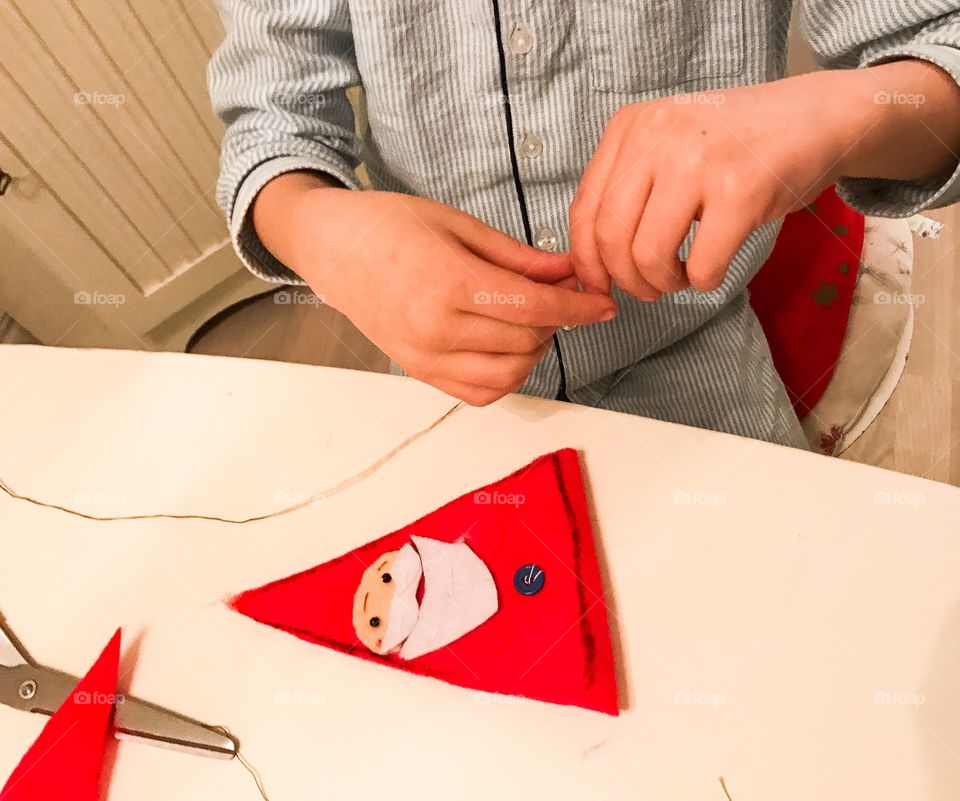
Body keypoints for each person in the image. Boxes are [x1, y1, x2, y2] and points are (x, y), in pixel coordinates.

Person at [207, 2, 960, 448]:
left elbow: (942, 39)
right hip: (437, 394)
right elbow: (272, 121)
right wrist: (320, 226)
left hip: (706, 373)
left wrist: (833, 111)